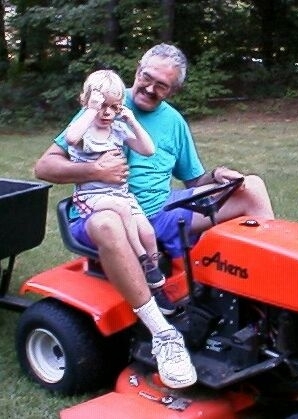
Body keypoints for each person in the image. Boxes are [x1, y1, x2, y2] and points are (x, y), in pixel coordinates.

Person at [34, 43, 275, 390]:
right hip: (100, 210)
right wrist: (95, 170)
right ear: (137, 70)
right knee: (109, 222)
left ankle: (269, 302)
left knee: (251, 186)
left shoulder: (173, 122)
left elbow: (194, 181)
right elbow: (45, 166)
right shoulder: (106, 103)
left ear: (173, 90)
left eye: (162, 85)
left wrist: (217, 174)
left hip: (162, 210)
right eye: (147, 78)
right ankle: (163, 335)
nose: (149, 88)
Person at [66, 69, 168, 301]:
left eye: (114, 107)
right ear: (86, 101)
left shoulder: (118, 130)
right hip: (91, 197)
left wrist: (132, 120)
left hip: (121, 195)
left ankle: (153, 279)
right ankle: (142, 258)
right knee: (122, 209)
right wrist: (90, 110)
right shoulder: (84, 130)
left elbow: (148, 150)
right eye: (102, 106)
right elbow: (70, 138)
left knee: (148, 232)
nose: (107, 112)